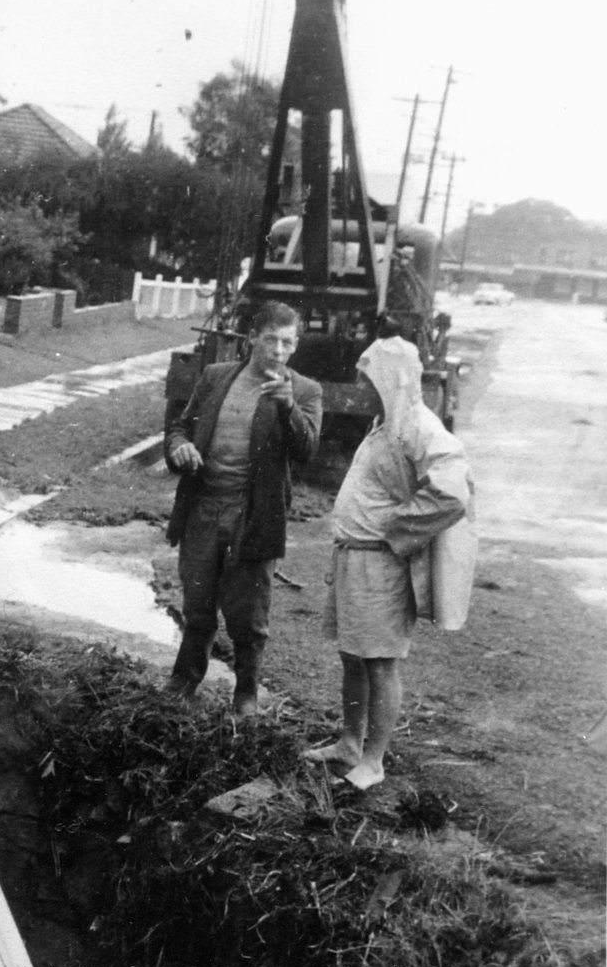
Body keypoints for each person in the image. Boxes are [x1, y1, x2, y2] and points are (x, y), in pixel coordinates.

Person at [305, 335, 475, 790]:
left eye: (370, 379)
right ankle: (349, 743)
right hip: (353, 560)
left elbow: (454, 491)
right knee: (352, 657)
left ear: (394, 379)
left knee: (380, 662)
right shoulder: (386, 424)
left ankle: (374, 760)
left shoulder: (420, 426)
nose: (362, 388)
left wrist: (401, 529)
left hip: (381, 565)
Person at [163, 302, 322, 716]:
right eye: (270, 339)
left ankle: (246, 691)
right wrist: (179, 446)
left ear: (296, 345)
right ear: (252, 338)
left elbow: (306, 451)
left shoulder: (305, 391)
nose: (278, 350)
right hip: (204, 508)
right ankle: (185, 678)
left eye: (288, 342)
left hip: (252, 516)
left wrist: (288, 407)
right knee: (197, 604)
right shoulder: (216, 377)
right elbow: (181, 424)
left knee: (248, 615)